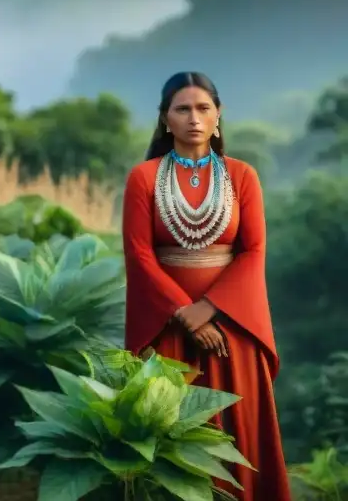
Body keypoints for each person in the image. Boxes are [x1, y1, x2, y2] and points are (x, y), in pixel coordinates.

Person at [122, 71, 292, 501]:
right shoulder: (142, 178)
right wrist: (186, 314)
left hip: (232, 331)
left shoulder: (242, 176)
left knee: (239, 438)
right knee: (171, 436)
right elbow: (140, 255)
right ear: (165, 119)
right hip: (169, 331)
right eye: (182, 109)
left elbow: (253, 252)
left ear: (219, 115)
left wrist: (210, 308)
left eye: (203, 108)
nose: (194, 118)